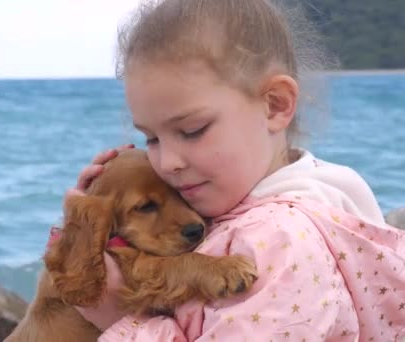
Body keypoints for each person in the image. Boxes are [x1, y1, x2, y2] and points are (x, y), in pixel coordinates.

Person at [61, 0, 405, 340]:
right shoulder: (326, 192)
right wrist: (104, 209)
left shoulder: (276, 243)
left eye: (193, 130)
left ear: (275, 104)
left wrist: (119, 321)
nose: (168, 162)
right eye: (151, 138)